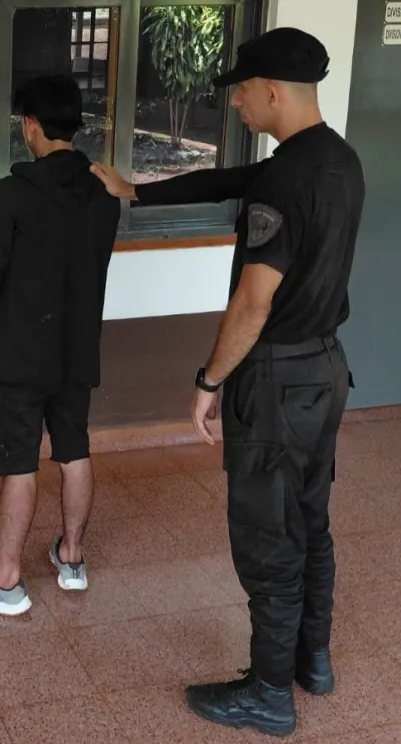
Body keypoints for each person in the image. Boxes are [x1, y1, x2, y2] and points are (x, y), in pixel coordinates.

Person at [90, 27, 363, 737]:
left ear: (271, 91)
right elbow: (231, 181)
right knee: (309, 519)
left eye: (240, 92)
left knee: (268, 537)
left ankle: (269, 694)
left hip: (276, 382)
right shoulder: (335, 159)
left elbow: (252, 302)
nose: (234, 104)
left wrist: (209, 380)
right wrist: (135, 191)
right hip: (326, 371)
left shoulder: (287, 179)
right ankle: (311, 660)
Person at [0, 74, 120, 616]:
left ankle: (5, 580)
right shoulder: (104, 194)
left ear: (31, 127)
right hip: (77, 348)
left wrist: (12, 318)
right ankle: (71, 557)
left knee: (19, 462)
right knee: (74, 449)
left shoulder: (11, 195)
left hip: (20, 353)